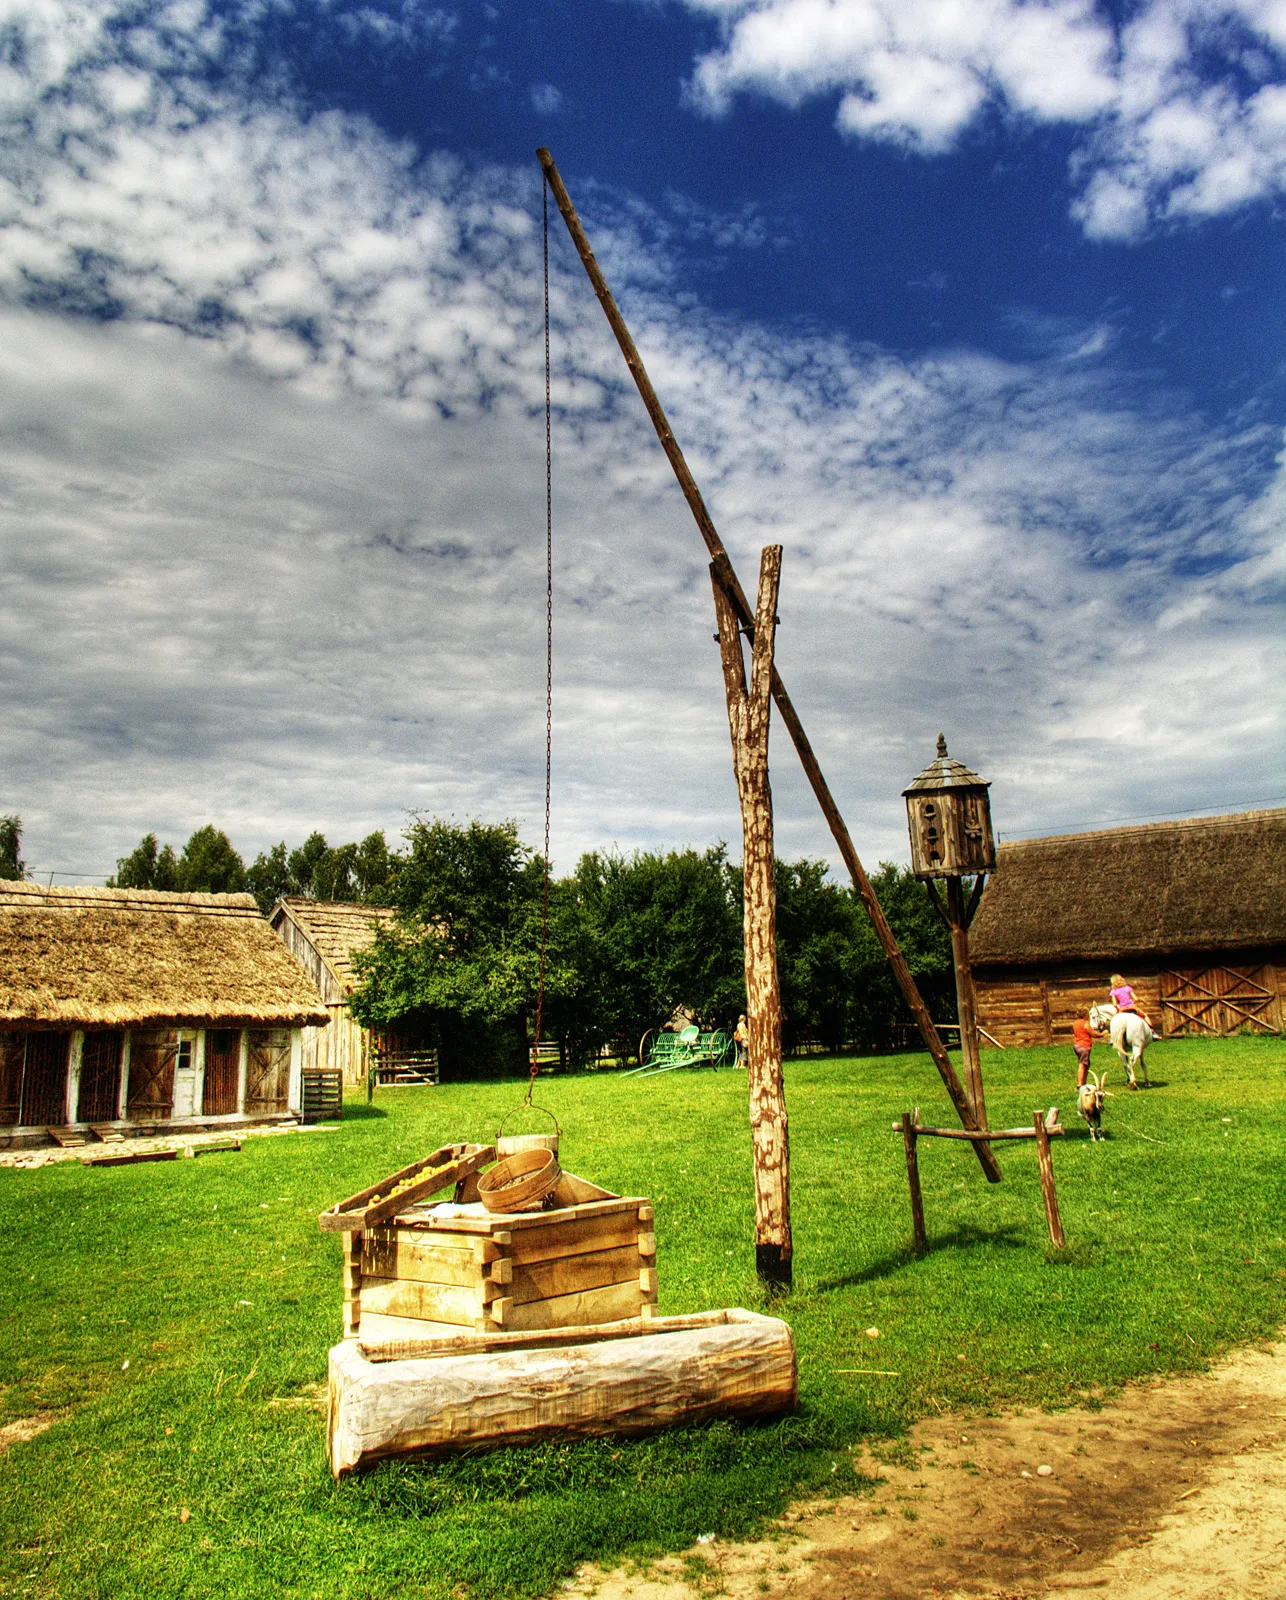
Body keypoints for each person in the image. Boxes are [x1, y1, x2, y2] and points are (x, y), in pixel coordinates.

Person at [1072, 1013, 1098, 1087]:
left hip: (1076, 1045)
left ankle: (1084, 1082)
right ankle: (1080, 1084)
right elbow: (1094, 1034)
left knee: (1086, 1064)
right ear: (1085, 1015)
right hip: (1084, 1046)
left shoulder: (1075, 1023)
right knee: (1082, 1065)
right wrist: (1103, 1033)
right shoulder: (1085, 1023)